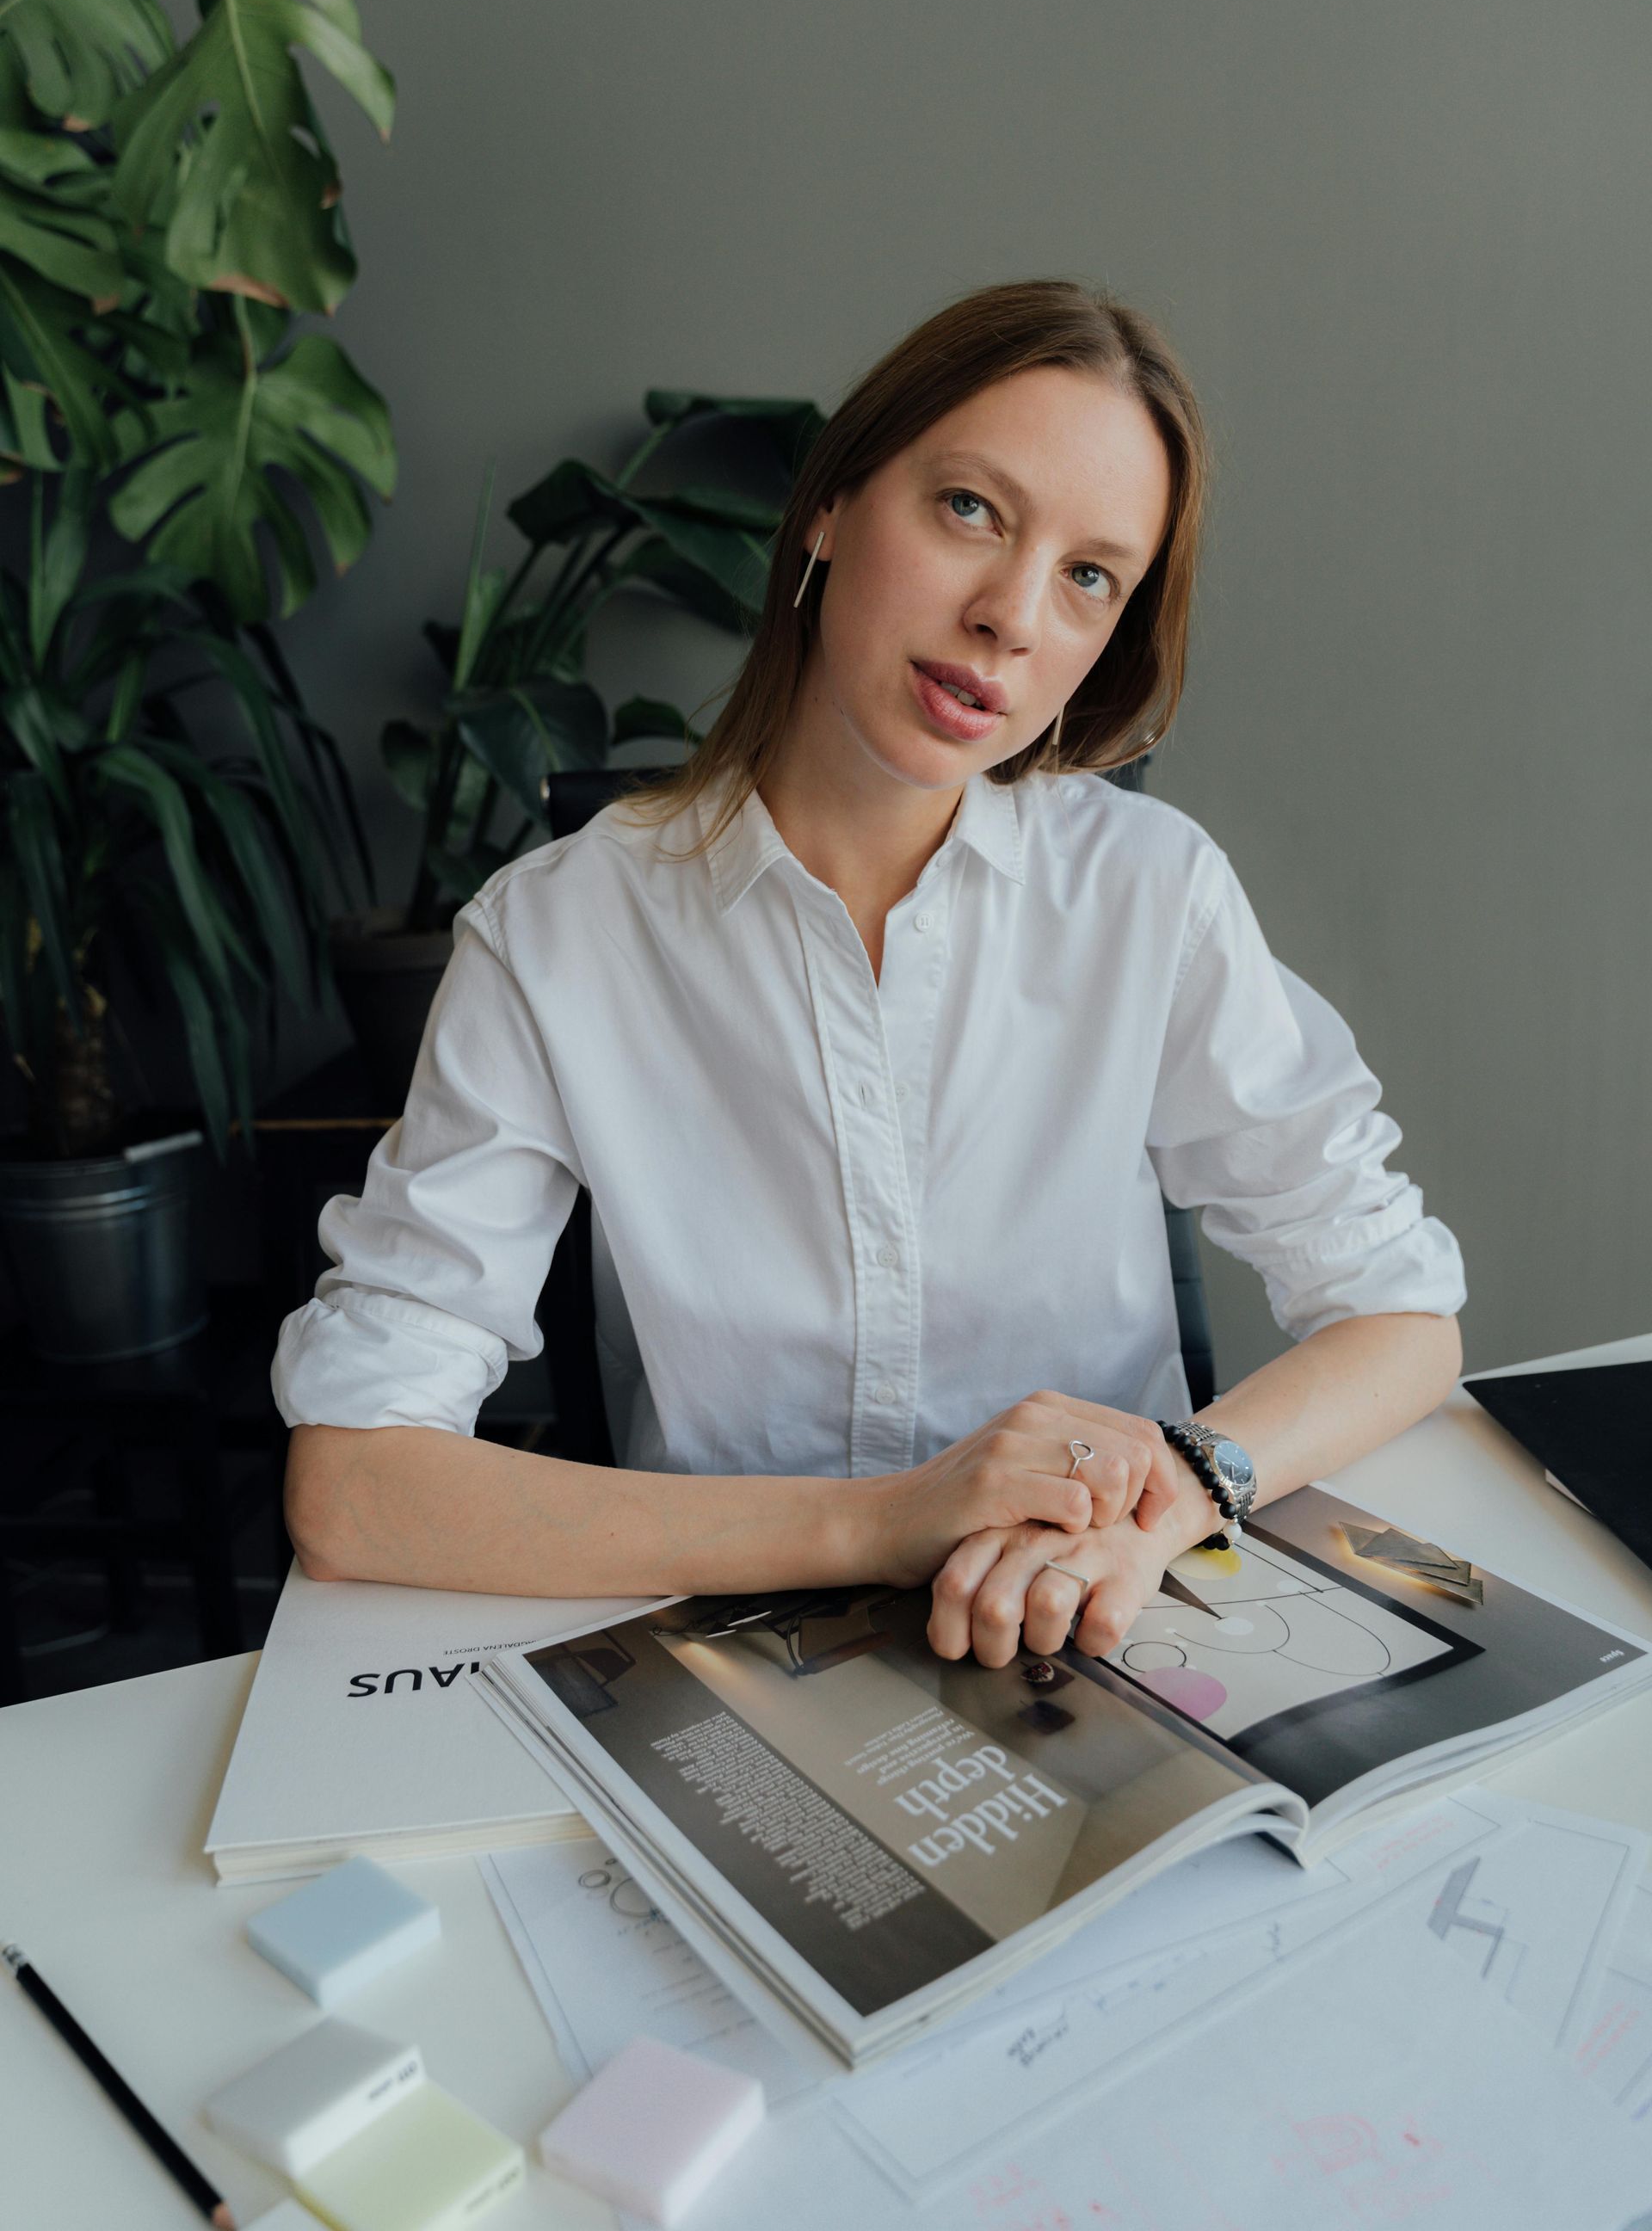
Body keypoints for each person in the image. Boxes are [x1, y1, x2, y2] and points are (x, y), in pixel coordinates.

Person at [277, 279, 1465, 1672]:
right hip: (732, 1664)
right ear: (833, 508)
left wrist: (1180, 1493)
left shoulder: (1150, 893)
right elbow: (354, 1487)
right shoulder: (556, 936)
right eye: (972, 509)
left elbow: (1401, 1315)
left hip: (1103, 1638)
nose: (1013, 619)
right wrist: (886, 1523)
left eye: (1091, 576)